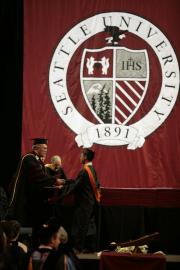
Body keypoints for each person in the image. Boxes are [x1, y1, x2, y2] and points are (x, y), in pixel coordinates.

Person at [7, 138, 64, 229]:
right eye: (44, 148)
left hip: (31, 201)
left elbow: (40, 181)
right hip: (23, 200)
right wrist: (55, 180)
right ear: (36, 148)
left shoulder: (37, 160)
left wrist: (54, 186)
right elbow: (40, 178)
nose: (46, 150)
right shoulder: (29, 158)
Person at [61, 148, 101, 254]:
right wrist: (67, 182)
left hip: (84, 205)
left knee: (81, 227)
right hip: (91, 203)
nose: (80, 157)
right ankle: (90, 248)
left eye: (81, 155)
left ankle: (78, 249)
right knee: (89, 226)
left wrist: (62, 191)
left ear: (85, 157)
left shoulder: (84, 171)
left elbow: (76, 186)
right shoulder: (91, 169)